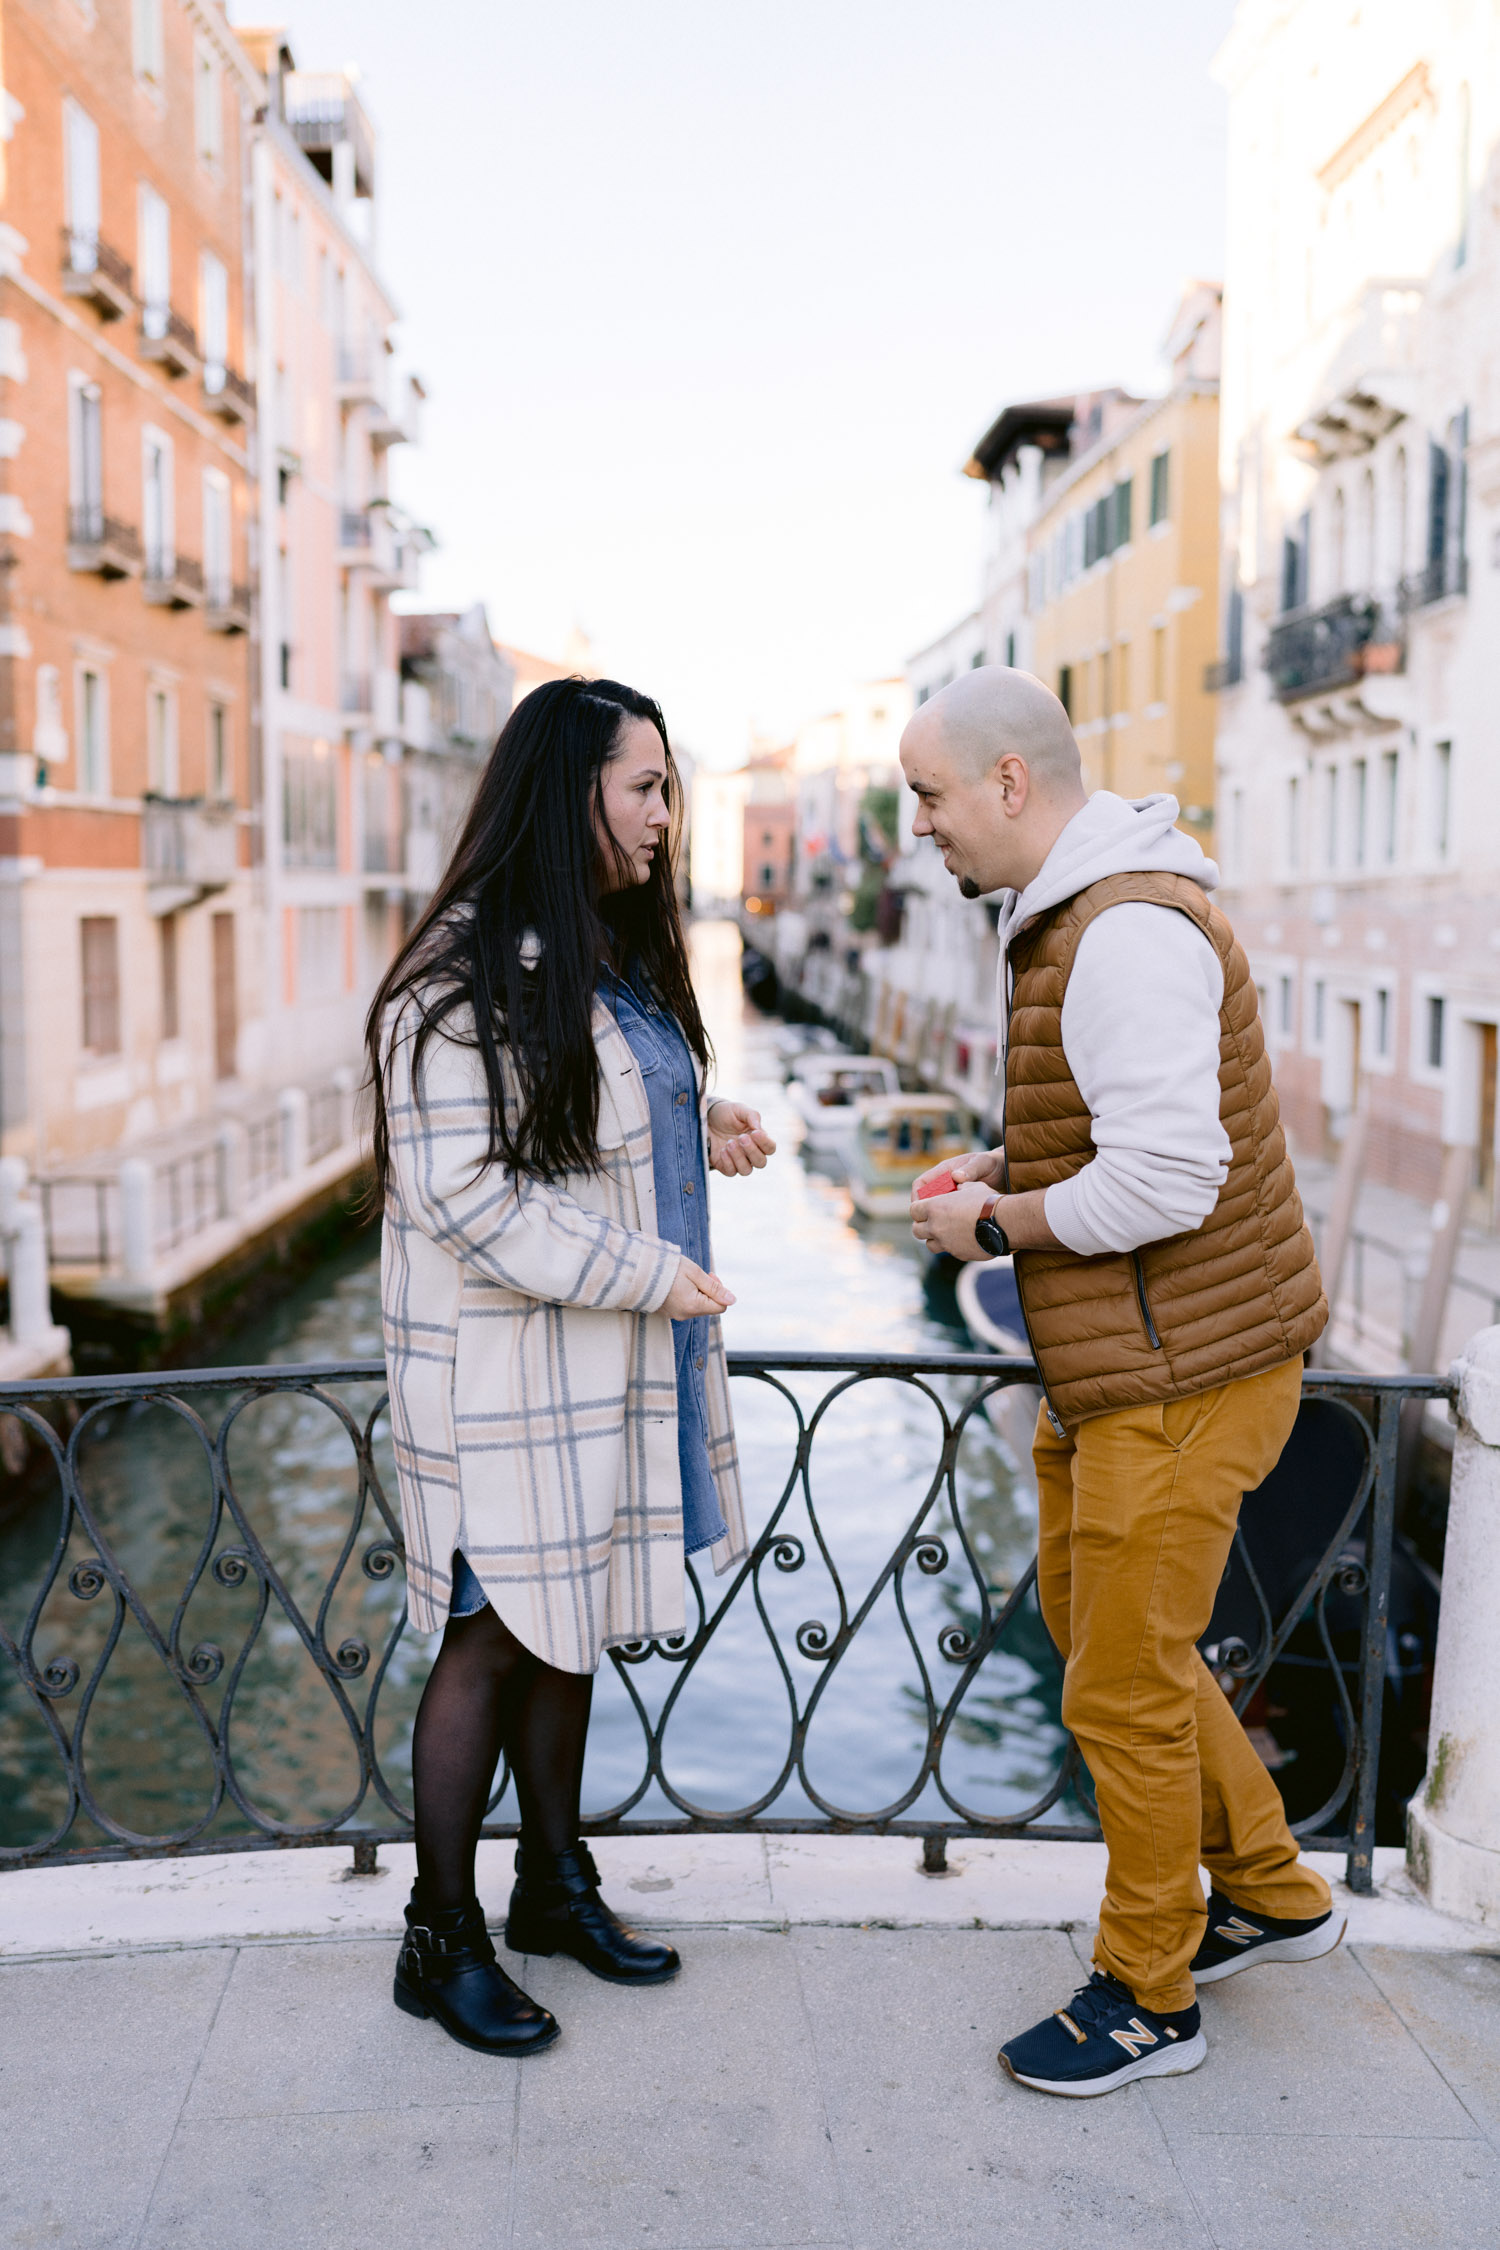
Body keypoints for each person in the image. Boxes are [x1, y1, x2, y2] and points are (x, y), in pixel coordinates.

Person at [905, 666, 1338, 2099]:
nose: (920, 829)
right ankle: (1270, 1887)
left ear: (1010, 781)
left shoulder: (1127, 931)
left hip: (1183, 1370)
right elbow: (1116, 1125)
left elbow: (1167, 1173)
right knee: (1103, 1636)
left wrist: (995, 1223)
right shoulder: (1083, 915)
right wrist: (1009, 1164)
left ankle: (1149, 1988)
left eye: (930, 797)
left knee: (1120, 1689)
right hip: (1128, 1367)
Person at [367, 676, 774, 2057]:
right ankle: (440, 1934)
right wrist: (654, 1268)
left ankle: (551, 1884)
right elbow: (470, 1199)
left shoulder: (596, 954)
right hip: (500, 1386)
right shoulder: (450, 985)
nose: (667, 814)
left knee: (570, 1619)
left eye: (667, 785)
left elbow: (579, 1116)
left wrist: (690, 1117)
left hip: (591, 1375)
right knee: (489, 1640)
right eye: (644, 786)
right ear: (571, 794)